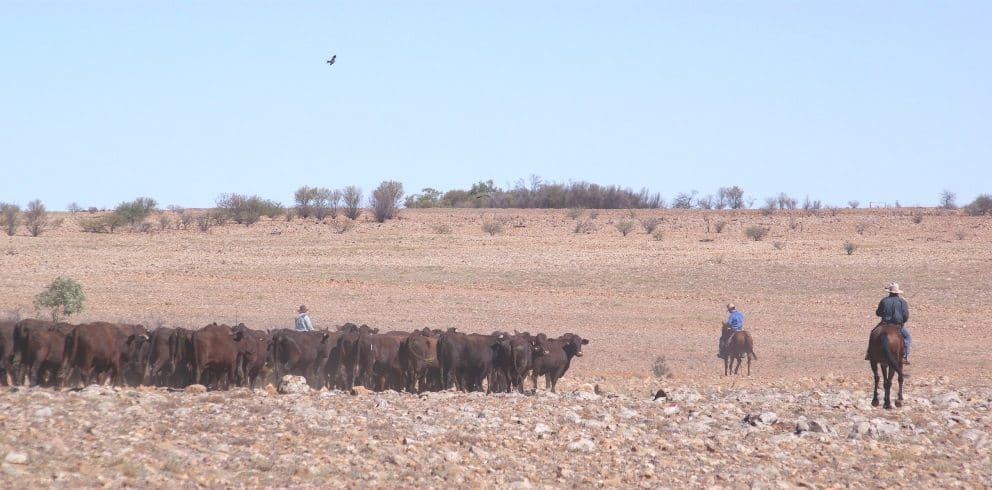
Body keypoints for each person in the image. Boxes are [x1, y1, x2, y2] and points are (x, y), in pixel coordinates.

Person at [876, 282, 911, 364]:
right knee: (907, 337)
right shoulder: (902, 302)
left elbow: (878, 313)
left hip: (884, 324)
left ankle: (870, 354)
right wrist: (902, 322)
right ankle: (904, 356)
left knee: (873, 333)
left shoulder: (884, 300)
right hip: (897, 325)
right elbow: (905, 315)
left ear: (889, 292)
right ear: (898, 292)